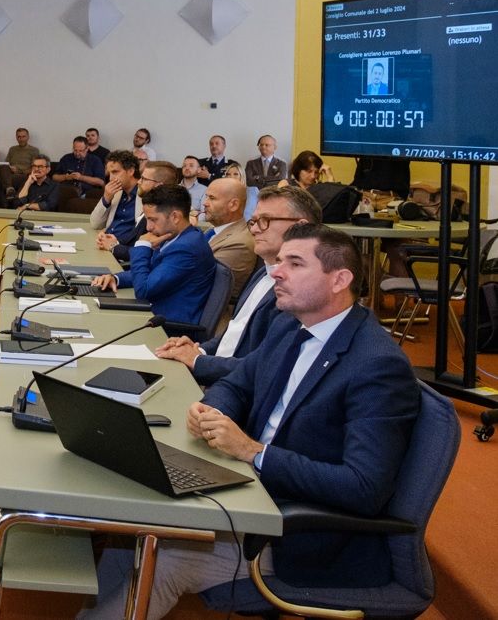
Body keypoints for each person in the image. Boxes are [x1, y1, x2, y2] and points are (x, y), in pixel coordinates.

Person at [82, 224, 420, 620]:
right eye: (280, 262)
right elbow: (237, 384)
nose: (277, 272)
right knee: (138, 528)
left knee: (167, 554)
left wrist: (254, 452)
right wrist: (213, 411)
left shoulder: (377, 366)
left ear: (339, 280)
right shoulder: (290, 325)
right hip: (249, 491)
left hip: (301, 536)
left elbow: (363, 488)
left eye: (295, 264)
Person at [156, 184, 322, 386]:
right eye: (253, 221)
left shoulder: (302, 292)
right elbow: (234, 333)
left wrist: (198, 361)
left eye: (265, 221)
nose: (254, 229)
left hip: (236, 389)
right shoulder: (263, 272)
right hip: (219, 378)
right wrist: (198, 349)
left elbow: (264, 367)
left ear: (301, 227)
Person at [90, 184, 214, 324]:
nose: (148, 227)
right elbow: (151, 272)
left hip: (167, 325)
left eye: (153, 220)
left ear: (175, 217)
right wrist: (116, 279)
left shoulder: (186, 248)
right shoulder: (175, 235)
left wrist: (142, 245)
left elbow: (144, 291)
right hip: (153, 313)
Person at [98, 160, 180, 263]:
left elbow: (146, 254)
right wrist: (112, 240)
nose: (138, 182)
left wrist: (114, 247)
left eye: (144, 179)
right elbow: (135, 240)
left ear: (158, 185)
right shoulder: (151, 207)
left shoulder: (163, 215)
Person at [201, 177, 258, 299]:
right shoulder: (214, 230)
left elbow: (199, 281)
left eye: (212, 198)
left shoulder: (240, 243)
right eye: (206, 197)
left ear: (233, 205)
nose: (205, 203)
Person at [90, 150, 140, 245]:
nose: (111, 178)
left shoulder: (144, 194)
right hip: (105, 244)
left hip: (123, 249)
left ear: (131, 171)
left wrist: (115, 244)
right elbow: (95, 224)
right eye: (109, 173)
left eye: (115, 172)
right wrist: (106, 199)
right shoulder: (116, 193)